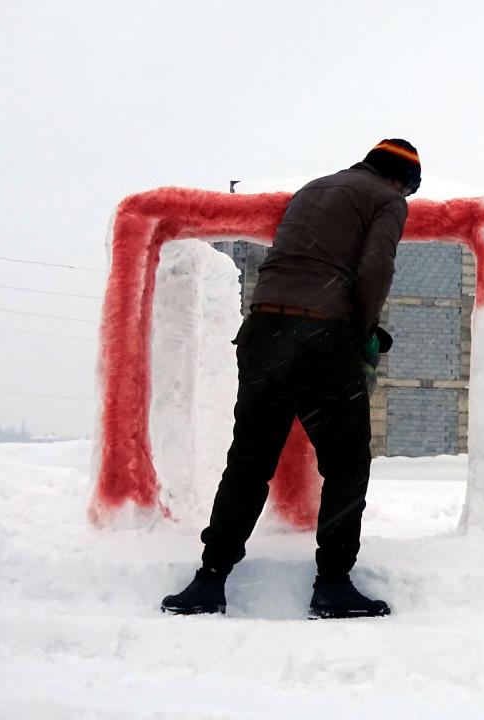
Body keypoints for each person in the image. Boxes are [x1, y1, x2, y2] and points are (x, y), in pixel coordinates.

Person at [161, 139, 421, 619]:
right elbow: (375, 267)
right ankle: (333, 584)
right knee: (346, 466)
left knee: (248, 463)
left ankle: (208, 580)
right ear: (402, 182)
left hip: (263, 332)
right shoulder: (386, 200)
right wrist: (362, 332)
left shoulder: (312, 189)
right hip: (322, 339)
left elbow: (307, 262)